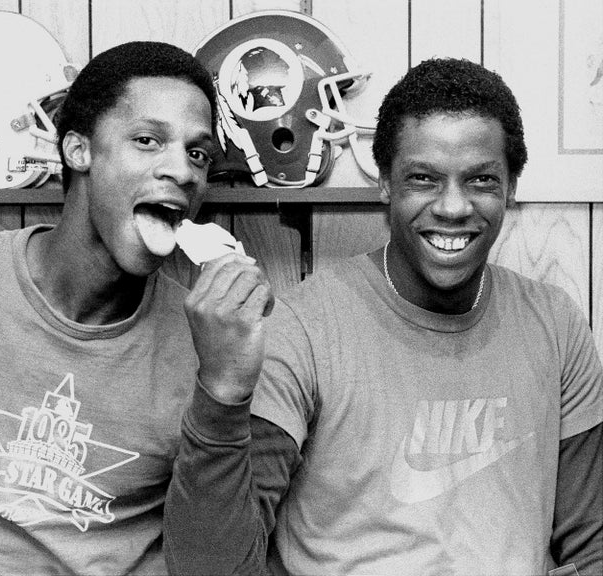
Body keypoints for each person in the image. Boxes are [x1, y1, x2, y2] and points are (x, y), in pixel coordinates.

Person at [164, 58, 603, 575]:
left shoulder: (554, 323)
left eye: (481, 179)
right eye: (423, 178)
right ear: (386, 184)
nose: (454, 207)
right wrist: (221, 392)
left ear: (511, 186)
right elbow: (210, 567)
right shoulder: (303, 329)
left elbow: (592, 545)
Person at [0, 41, 272, 575]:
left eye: (198, 154)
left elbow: (218, 570)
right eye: (147, 140)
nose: (182, 171)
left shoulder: (212, 345)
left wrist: (224, 394)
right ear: (78, 150)